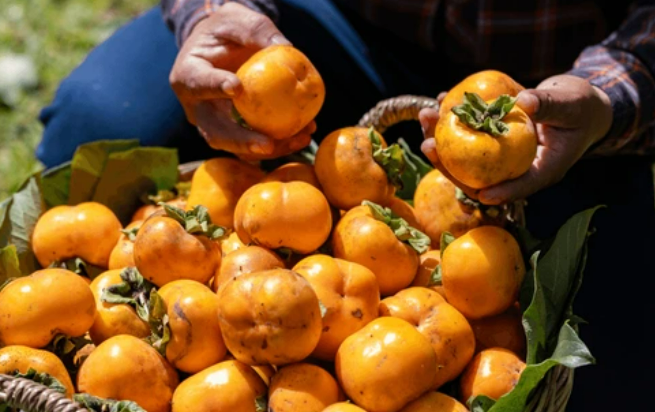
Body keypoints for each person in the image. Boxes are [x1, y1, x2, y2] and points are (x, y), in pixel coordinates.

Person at [37, 0, 655, 409]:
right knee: (100, 115)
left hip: (556, 86)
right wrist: (214, 11)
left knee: (618, 380)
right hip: (338, 26)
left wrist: (612, 95)